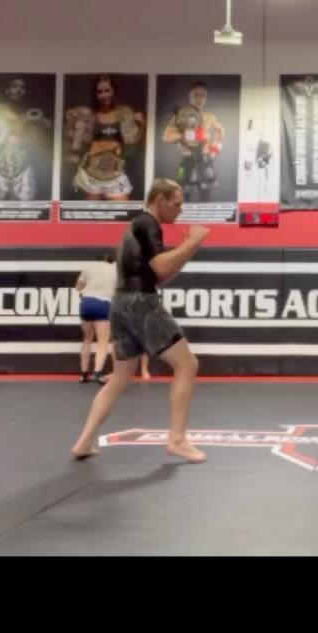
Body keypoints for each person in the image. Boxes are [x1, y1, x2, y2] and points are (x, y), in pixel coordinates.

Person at [71, 179, 208, 462]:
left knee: (119, 377)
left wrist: (188, 247)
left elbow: (160, 276)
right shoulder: (147, 223)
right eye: (176, 203)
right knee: (187, 364)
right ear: (159, 200)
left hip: (121, 304)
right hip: (139, 303)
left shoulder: (140, 225)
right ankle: (177, 439)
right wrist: (192, 242)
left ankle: (83, 442)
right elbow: (162, 266)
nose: (180, 210)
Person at [65, 76, 145, 201]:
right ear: (95, 95)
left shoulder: (125, 115)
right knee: (91, 211)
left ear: (113, 92)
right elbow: (76, 145)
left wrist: (142, 125)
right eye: (100, 92)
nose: (104, 95)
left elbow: (133, 142)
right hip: (92, 172)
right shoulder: (88, 116)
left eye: (107, 90)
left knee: (122, 210)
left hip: (115, 171)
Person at [0, 76, 53, 202]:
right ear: (7, 89)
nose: (18, 90)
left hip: (23, 170)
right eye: (14, 86)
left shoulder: (33, 114)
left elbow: (44, 137)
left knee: (25, 211)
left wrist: (38, 122)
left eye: (22, 88)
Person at [162, 81, 226, 202]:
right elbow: (166, 137)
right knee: (184, 195)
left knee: (206, 195)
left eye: (202, 95)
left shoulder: (209, 116)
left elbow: (220, 130)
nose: (199, 98)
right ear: (190, 96)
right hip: (188, 158)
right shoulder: (181, 115)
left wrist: (215, 148)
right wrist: (190, 135)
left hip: (205, 159)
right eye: (196, 95)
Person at [75, 250, 117, 383]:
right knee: (102, 342)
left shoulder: (89, 267)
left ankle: (83, 374)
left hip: (86, 303)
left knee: (87, 339)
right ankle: (97, 373)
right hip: (103, 303)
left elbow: (78, 287)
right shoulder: (115, 269)